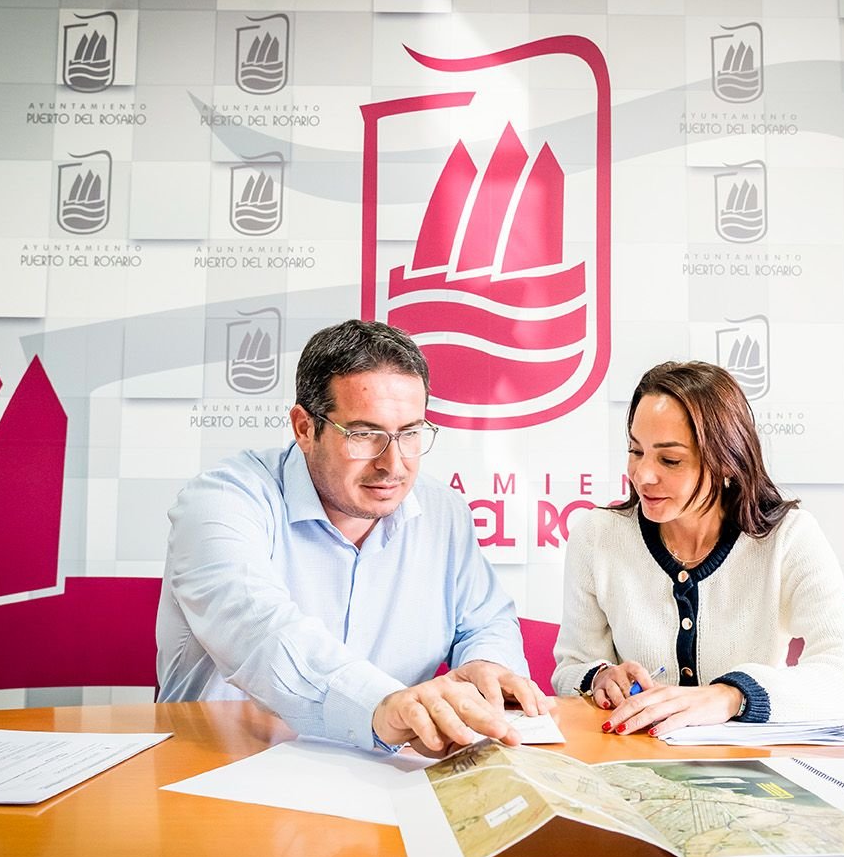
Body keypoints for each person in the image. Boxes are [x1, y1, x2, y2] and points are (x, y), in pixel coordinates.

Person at [157, 320, 550, 755]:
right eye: (364, 434)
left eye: (410, 433)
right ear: (304, 428)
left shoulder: (443, 511)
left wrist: (486, 666)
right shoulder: (222, 501)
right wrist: (382, 706)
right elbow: (259, 631)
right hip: (218, 769)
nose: (393, 465)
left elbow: (486, 620)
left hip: (387, 772)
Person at [552, 360, 844, 736]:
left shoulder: (788, 537)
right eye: (635, 451)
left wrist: (731, 696)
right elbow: (570, 669)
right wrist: (598, 678)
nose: (642, 475)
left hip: (753, 763)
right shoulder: (597, 536)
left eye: (670, 460)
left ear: (727, 461)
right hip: (633, 758)